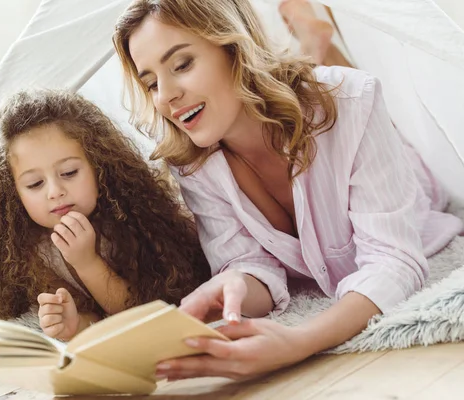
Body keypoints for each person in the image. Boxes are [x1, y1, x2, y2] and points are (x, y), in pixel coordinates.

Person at [112, 0, 463, 379]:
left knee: (343, 97)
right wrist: (233, 284)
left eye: (182, 65)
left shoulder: (352, 101)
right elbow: (248, 263)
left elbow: (393, 260)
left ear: (234, 48)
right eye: (150, 83)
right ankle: (310, 41)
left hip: (400, 171)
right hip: (285, 99)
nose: (165, 97)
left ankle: (316, 39)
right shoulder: (192, 162)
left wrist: (300, 342)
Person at [0, 89, 211, 341]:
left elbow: (139, 312)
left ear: (98, 166)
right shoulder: (28, 250)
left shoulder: (129, 222)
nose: (55, 191)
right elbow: (94, 313)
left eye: (69, 172)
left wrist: (86, 261)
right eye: (35, 183)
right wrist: (75, 323)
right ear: (14, 194)